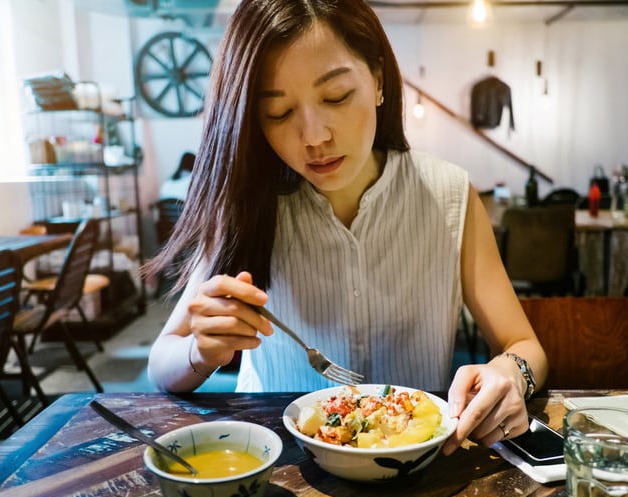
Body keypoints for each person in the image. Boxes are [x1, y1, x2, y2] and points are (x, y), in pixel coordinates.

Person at [146, 0, 548, 456]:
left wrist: (510, 374)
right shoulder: (248, 205)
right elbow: (162, 362)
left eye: (336, 97)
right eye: (278, 113)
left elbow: (523, 345)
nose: (314, 136)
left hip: (420, 463)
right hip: (285, 465)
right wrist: (201, 352)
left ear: (377, 81)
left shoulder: (450, 195)